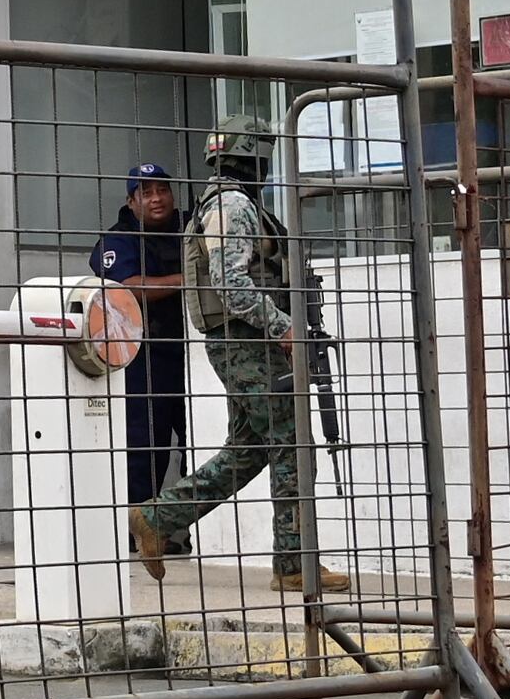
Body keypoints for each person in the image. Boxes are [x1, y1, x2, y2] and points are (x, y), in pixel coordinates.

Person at [128, 126, 342, 593]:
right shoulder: (233, 206)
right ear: (254, 158)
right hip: (247, 345)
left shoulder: (227, 203)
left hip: (245, 343)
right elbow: (231, 285)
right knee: (293, 446)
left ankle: (158, 517)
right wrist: (282, 325)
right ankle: (293, 564)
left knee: (249, 449)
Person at [89, 161, 190, 506]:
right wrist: (188, 279)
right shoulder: (117, 239)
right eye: (145, 193)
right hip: (147, 360)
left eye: (163, 190)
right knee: (145, 450)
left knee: (201, 442)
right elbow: (129, 287)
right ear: (131, 202)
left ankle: (194, 525)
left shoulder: (191, 226)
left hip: (195, 355)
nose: (157, 198)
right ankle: (140, 524)